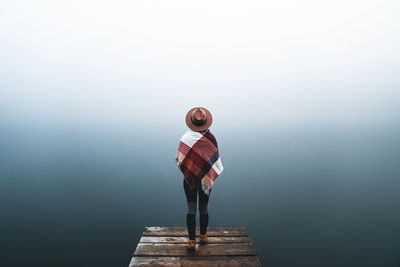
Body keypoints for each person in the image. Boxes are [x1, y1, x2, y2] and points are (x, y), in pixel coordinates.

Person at [175, 107, 224, 254]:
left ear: (192, 122)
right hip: (205, 181)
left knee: (191, 209)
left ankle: (191, 242)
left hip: (189, 178)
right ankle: (203, 236)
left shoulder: (185, 138)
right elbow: (214, 161)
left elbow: (179, 160)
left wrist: (191, 168)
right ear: (205, 122)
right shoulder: (211, 138)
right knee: (204, 208)